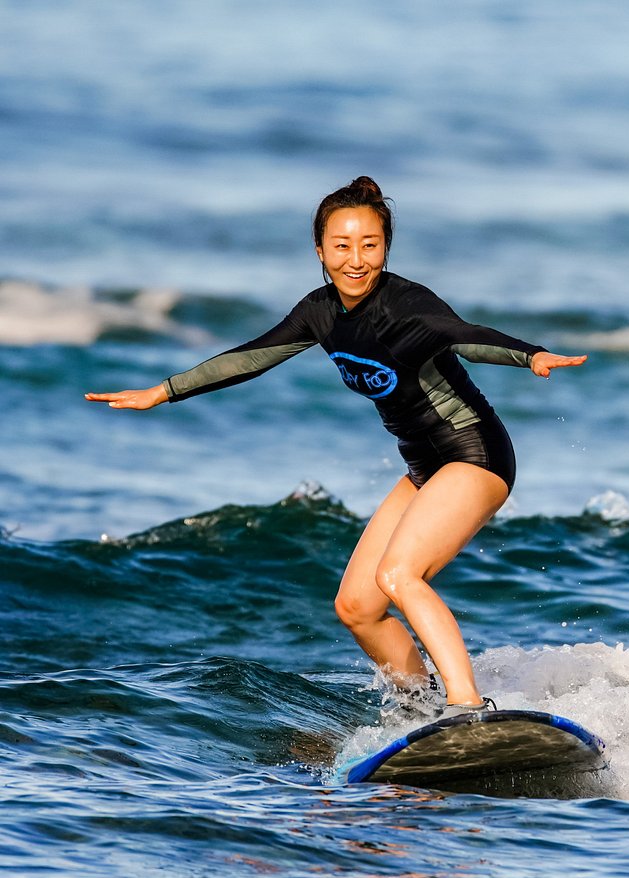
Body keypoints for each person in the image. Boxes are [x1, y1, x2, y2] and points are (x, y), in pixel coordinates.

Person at [86, 176, 586, 717]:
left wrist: (530, 354)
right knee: (356, 607)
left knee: (398, 575)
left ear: (385, 249)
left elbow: (465, 335)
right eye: (342, 246)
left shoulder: (407, 306)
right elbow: (253, 356)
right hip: (424, 466)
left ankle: (467, 706)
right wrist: (164, 391)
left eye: (369, 246)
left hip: (474, 453)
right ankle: (423, 712)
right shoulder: (318, 312)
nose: (356, 259)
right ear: (320, 250)